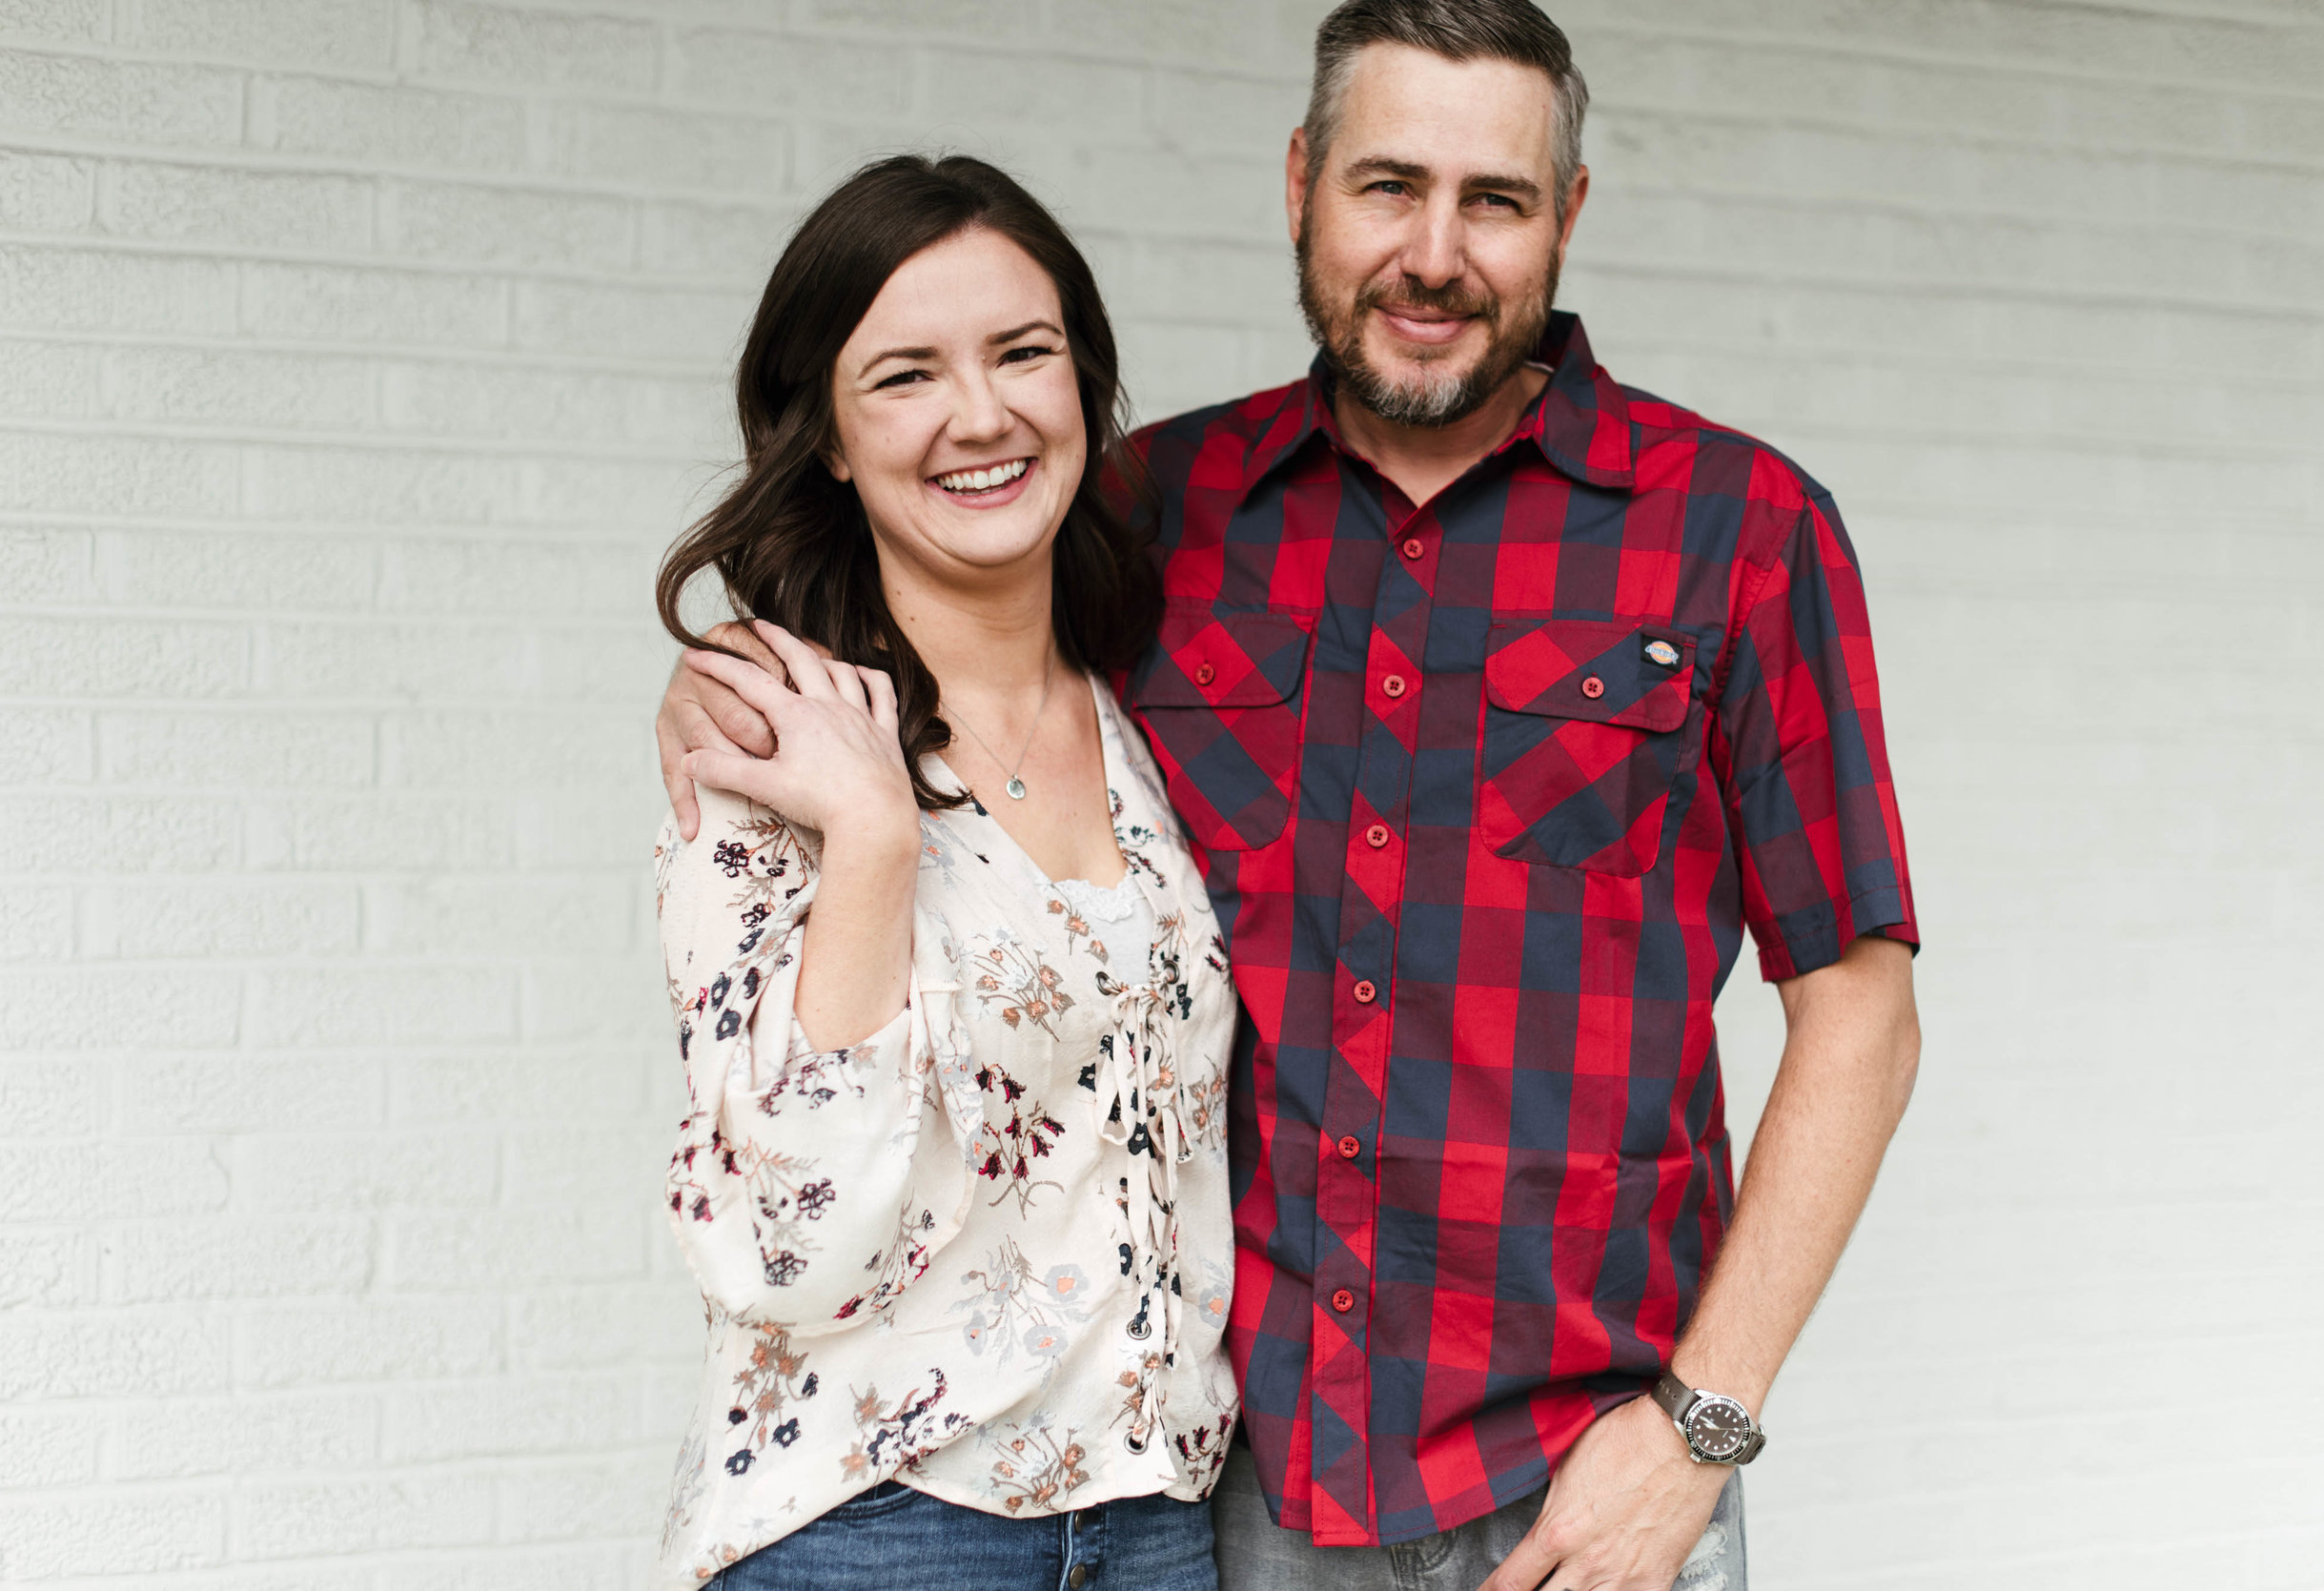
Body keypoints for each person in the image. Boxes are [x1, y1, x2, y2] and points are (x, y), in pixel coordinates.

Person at [659, 2, 1924, 1588]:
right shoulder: (1156, 515)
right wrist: (743, 677)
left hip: (1589, 1479)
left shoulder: (1740, 533)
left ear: (1570, 216)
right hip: (1239, 1490)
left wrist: (1702, 1425)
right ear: (1301, 184)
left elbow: (1862, 1012)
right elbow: (942, 594)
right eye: (1389, 187)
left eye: (1498, 199)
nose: (1436, 253)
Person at [649, 154, 1240, 1591]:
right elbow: (785, 1248)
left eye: (1023, 353)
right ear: (833, 439)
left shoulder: (1143, 707)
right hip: (880, 1526)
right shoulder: (770, 738)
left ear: (1085, 388)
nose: (981, 415)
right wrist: (875, 839)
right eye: (906, 374)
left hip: (1159, 1518)